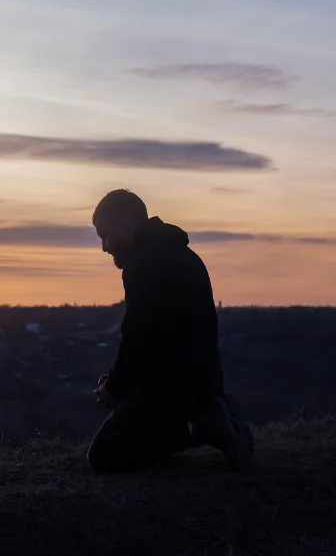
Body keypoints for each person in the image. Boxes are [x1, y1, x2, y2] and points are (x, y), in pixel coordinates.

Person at [86, 189, 254, 473]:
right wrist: (120, 384)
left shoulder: (144, 264)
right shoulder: (183, 255)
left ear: (124, 226)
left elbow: (138, 337)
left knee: (104, 456)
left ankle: (201, 426)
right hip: (200, 381)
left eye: (105, 235)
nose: (104, 247)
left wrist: (115, 388)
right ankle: (209, 414)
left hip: (175, 389)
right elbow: (156, 338)